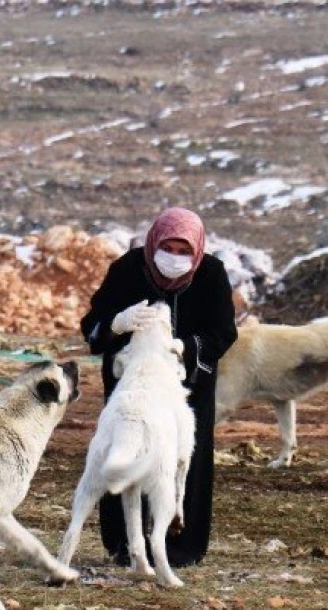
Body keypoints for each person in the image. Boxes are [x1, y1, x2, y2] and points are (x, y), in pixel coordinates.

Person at [80, 206, 237, 568]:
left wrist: (186, 347)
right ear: (153, 243)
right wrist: (116, 324)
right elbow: (93, 325)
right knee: (126, 449)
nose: (175, 259)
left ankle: (179, 546)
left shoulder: (212, 274)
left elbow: (224, 332)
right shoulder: (126, 269)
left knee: (182, 458)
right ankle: (124, 543)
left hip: (186, 388)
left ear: (197, 251)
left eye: (185, 251)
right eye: (169, 248)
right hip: (132, 385)